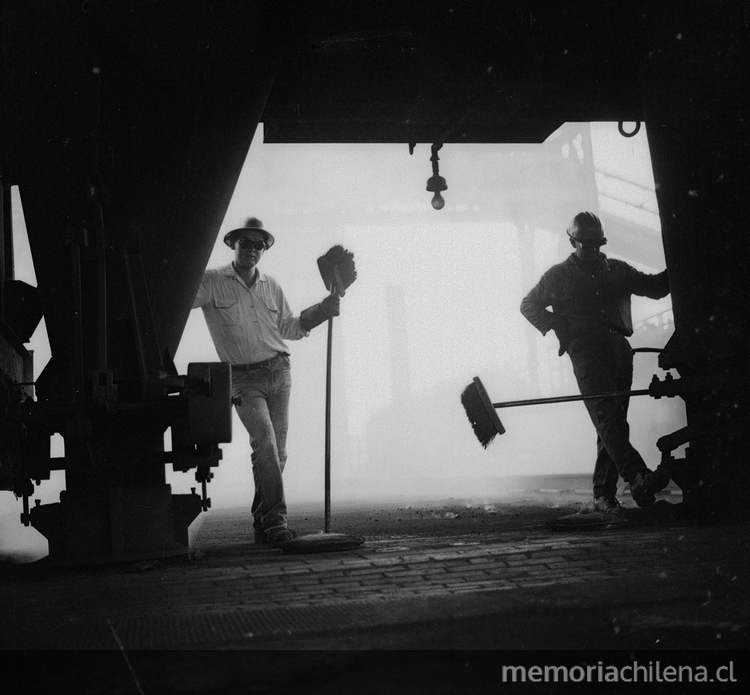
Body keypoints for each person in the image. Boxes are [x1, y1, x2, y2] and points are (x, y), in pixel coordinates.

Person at [192, 217, 340, 546]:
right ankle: (276, 523)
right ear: (233, 244)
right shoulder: (211, 282)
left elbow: (289, 327)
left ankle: (261, 519)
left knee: (278, 453)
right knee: (266, 446)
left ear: (264, 249)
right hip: (242, 380)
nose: (252, 249)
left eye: (259, 244)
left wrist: (321, 310)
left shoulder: (271, 285)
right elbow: (179, 297)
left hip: (279, 371)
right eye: (246, 242)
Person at [520, 212, 671, 518]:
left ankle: (604, 494)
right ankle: (637, 477)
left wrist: (681, 264)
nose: (590, 250)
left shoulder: (617, 269)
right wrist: (556, 324)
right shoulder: (557, 276)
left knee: (612, 422)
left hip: (618, 349)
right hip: (585, 350)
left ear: (601, 243)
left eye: (594, 245)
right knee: (608, 417)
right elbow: (528, 304)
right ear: (573, 241)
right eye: (584, 245)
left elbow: (655, 288)